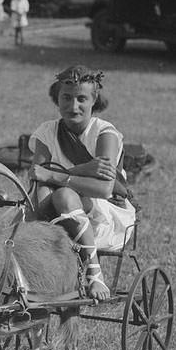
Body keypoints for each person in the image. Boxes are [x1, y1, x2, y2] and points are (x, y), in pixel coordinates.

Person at [28, 65, 136, 302]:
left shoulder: (104, 133)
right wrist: (81, 170)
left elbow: (104, 189)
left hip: (103, 216)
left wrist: (57, 177)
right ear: (56, 99)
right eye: (66, 98)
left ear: (94, 100)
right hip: (54, 213)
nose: (73, 106)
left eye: (81, 99)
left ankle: (94, 272)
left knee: (64, 194)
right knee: (48, 194)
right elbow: (38, 176)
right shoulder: (47, 133)